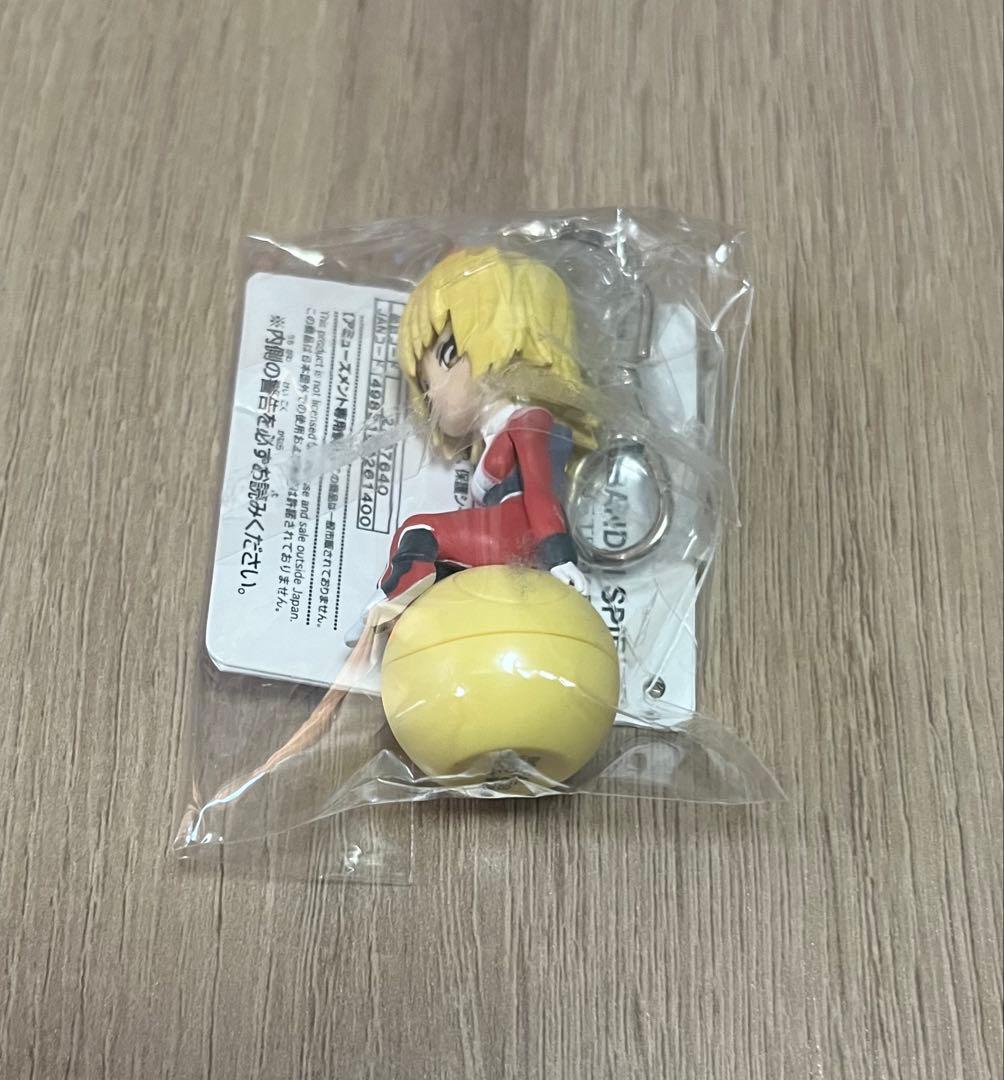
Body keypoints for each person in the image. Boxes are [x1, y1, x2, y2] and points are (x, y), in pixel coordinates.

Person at [346, 246, 592, 643]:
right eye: (425, 384)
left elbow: (540, 491)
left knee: (420, 530)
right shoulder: (494, 436)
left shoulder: (529, 421)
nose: (434, 393)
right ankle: (407, 614)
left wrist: (559, 555)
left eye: (448, 355)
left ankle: (388, 600)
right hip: (504, 548)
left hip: (517, 538)